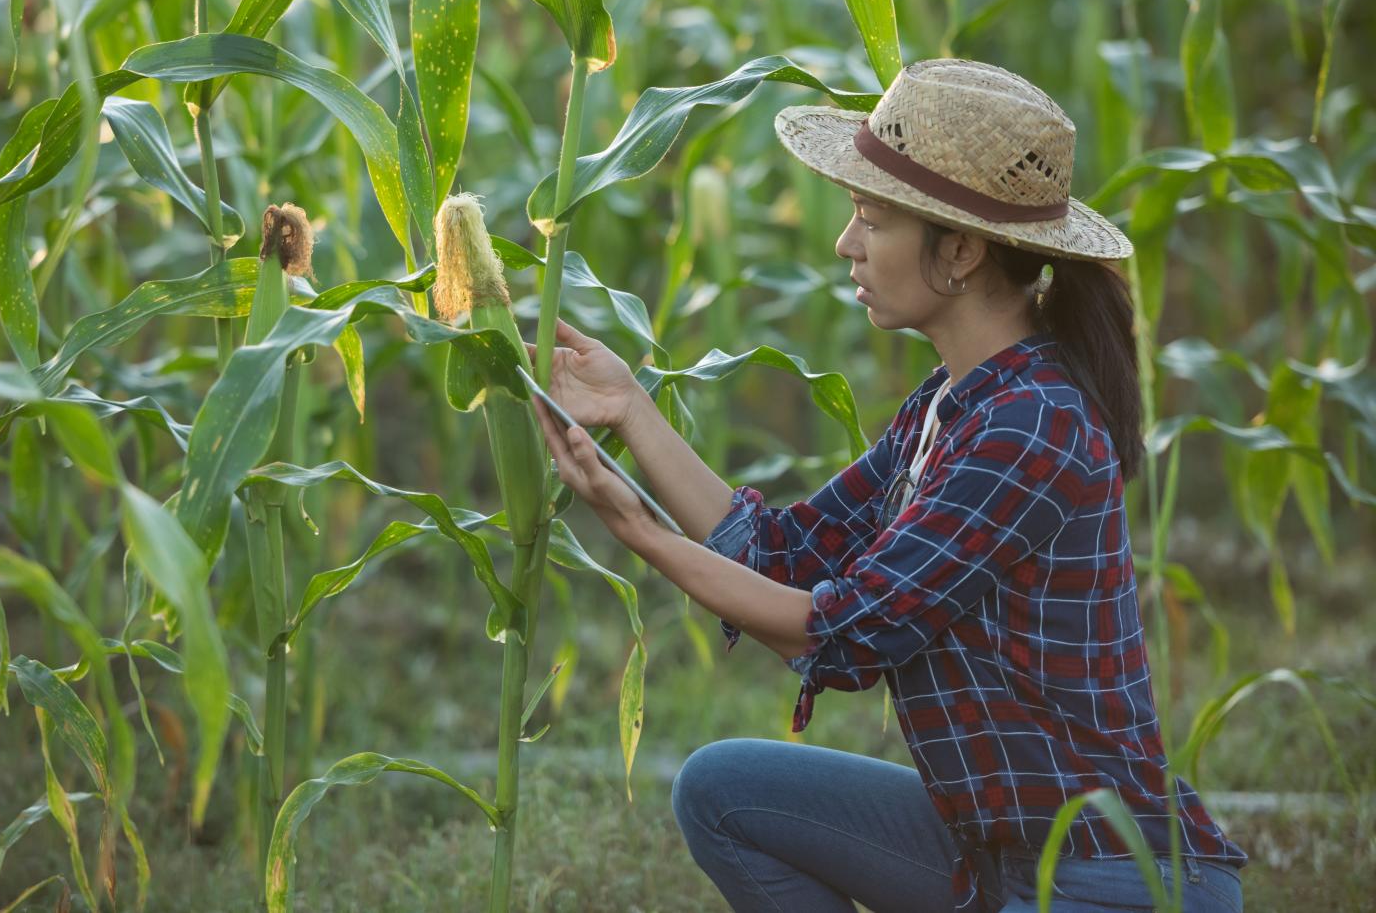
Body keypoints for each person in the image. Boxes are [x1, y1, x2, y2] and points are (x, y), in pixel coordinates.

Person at [525, 59, 1248, 912]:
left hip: (1107, 876)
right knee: (724, 790)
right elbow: (785, 554)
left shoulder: (1031, 424)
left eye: (871, 218)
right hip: (990, 855)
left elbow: (841, 630)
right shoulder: (950, 404)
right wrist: (632, 412)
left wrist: (639, 528)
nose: (846, 243)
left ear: (963, 251)